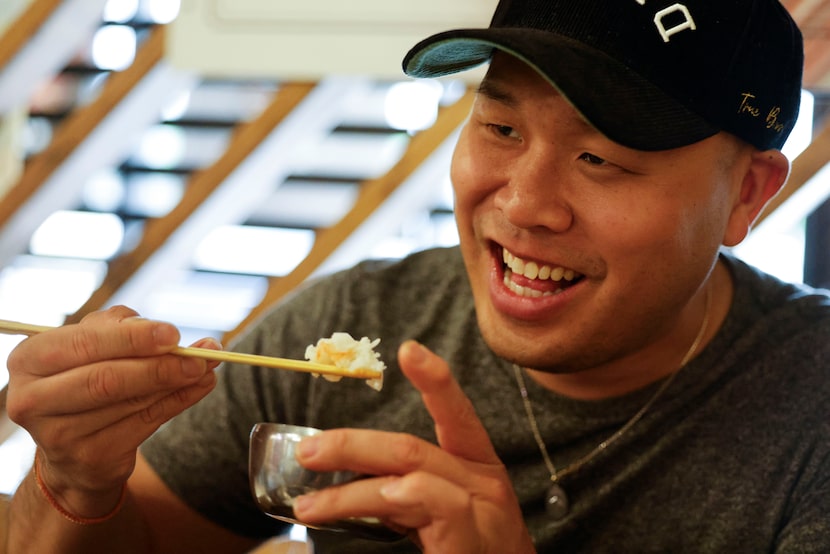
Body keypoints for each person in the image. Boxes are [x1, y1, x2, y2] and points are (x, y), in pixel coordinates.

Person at [4, 0, 828, 552]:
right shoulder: (363, 320)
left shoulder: (810, 416)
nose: (524, 203)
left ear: (747, 194)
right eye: (499, 125)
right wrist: (71, 480)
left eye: (600, 158)